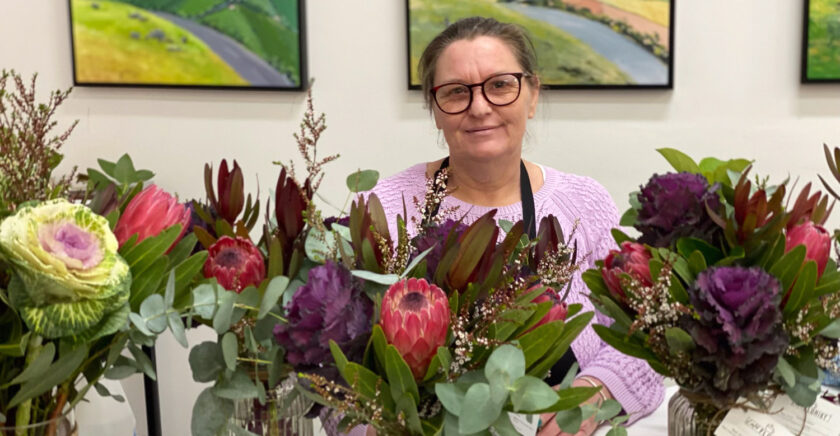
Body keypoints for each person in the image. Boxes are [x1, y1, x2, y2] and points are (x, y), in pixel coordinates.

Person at [364, 16, 664, 436]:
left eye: (500, 85)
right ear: (435, 110)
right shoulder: (383, 209)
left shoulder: (585, 204)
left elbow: (643, 338)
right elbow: (336, 364)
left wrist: (593, 396)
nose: (480, 106)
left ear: (533, 95)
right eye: (455, 92)